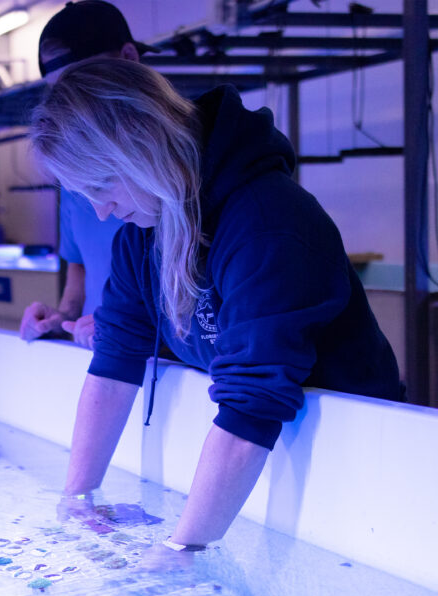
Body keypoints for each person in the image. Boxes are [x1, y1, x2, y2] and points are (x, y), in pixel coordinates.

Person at [30, 58, 402, 554]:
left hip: (360, 455)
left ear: (139, 148)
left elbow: (252, 405)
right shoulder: (141, 237)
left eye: (101, 186)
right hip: (267, 456)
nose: (100, 211)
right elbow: (113, 367)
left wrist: (179, 555)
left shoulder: (268, 222)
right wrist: (76, 499)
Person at [19, 1, 157, 349]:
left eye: (82, 84)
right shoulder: (75, 174)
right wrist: (62, 317)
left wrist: (127, 328)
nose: (71, 106)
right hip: (103, 353)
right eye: (59, 93)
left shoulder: (178, 166)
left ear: (129, 57)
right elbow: (79, 263)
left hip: (167, 368)